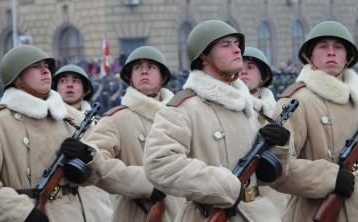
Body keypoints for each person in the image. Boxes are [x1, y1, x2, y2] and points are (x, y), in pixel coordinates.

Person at [143, 20, 291, 222]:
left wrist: (278, 150)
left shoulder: (246, 105)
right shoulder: (184, 108)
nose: (237, 50)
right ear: (204, 56)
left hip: (258, 214)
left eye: (236, 43)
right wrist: (222, 185)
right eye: (226, 44)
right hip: (208, 214)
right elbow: (158, 163)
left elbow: (265, 176)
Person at [271, 21, 358, 222]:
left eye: (338, 47)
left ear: (348, 57)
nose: (331, 52)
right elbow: (276, 168)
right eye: (323, 46)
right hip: (315, 207)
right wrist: (328, 177)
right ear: (310, 56)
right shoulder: (296, 101)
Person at [0, 45, 105, 222]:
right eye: (36, 66)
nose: (45, 71)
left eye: (46, 66)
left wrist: (86, 155)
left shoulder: (69, 116)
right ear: (17, 79)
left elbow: (99, 171)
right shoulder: (2, 122)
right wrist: (22, 213)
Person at [84, 46, 182, 222]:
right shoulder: (116, 119)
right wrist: (146, 184)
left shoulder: (182, 115)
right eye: (138, 68)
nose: (144, 72)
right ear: (130, 78)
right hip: (137, 214)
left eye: (151, 67)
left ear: (163, 77)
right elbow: (96, 164)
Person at [52, 64, 114, 220]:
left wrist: (89, 154)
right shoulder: (48, 121)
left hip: (99, 206)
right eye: (63, 81)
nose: (70, 84)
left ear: (85, 89)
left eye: (76, 81)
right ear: (55, 88)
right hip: (62, 207)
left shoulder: (100, 124)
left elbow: (110, 166)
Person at [239, 46, 290, 216]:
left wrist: (283, 144)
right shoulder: (227, 109)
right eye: (240, 66)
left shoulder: (277, 110)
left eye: (251, 68)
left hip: (273, 201)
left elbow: (290, 161)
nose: (243, 72)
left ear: (263, 77)